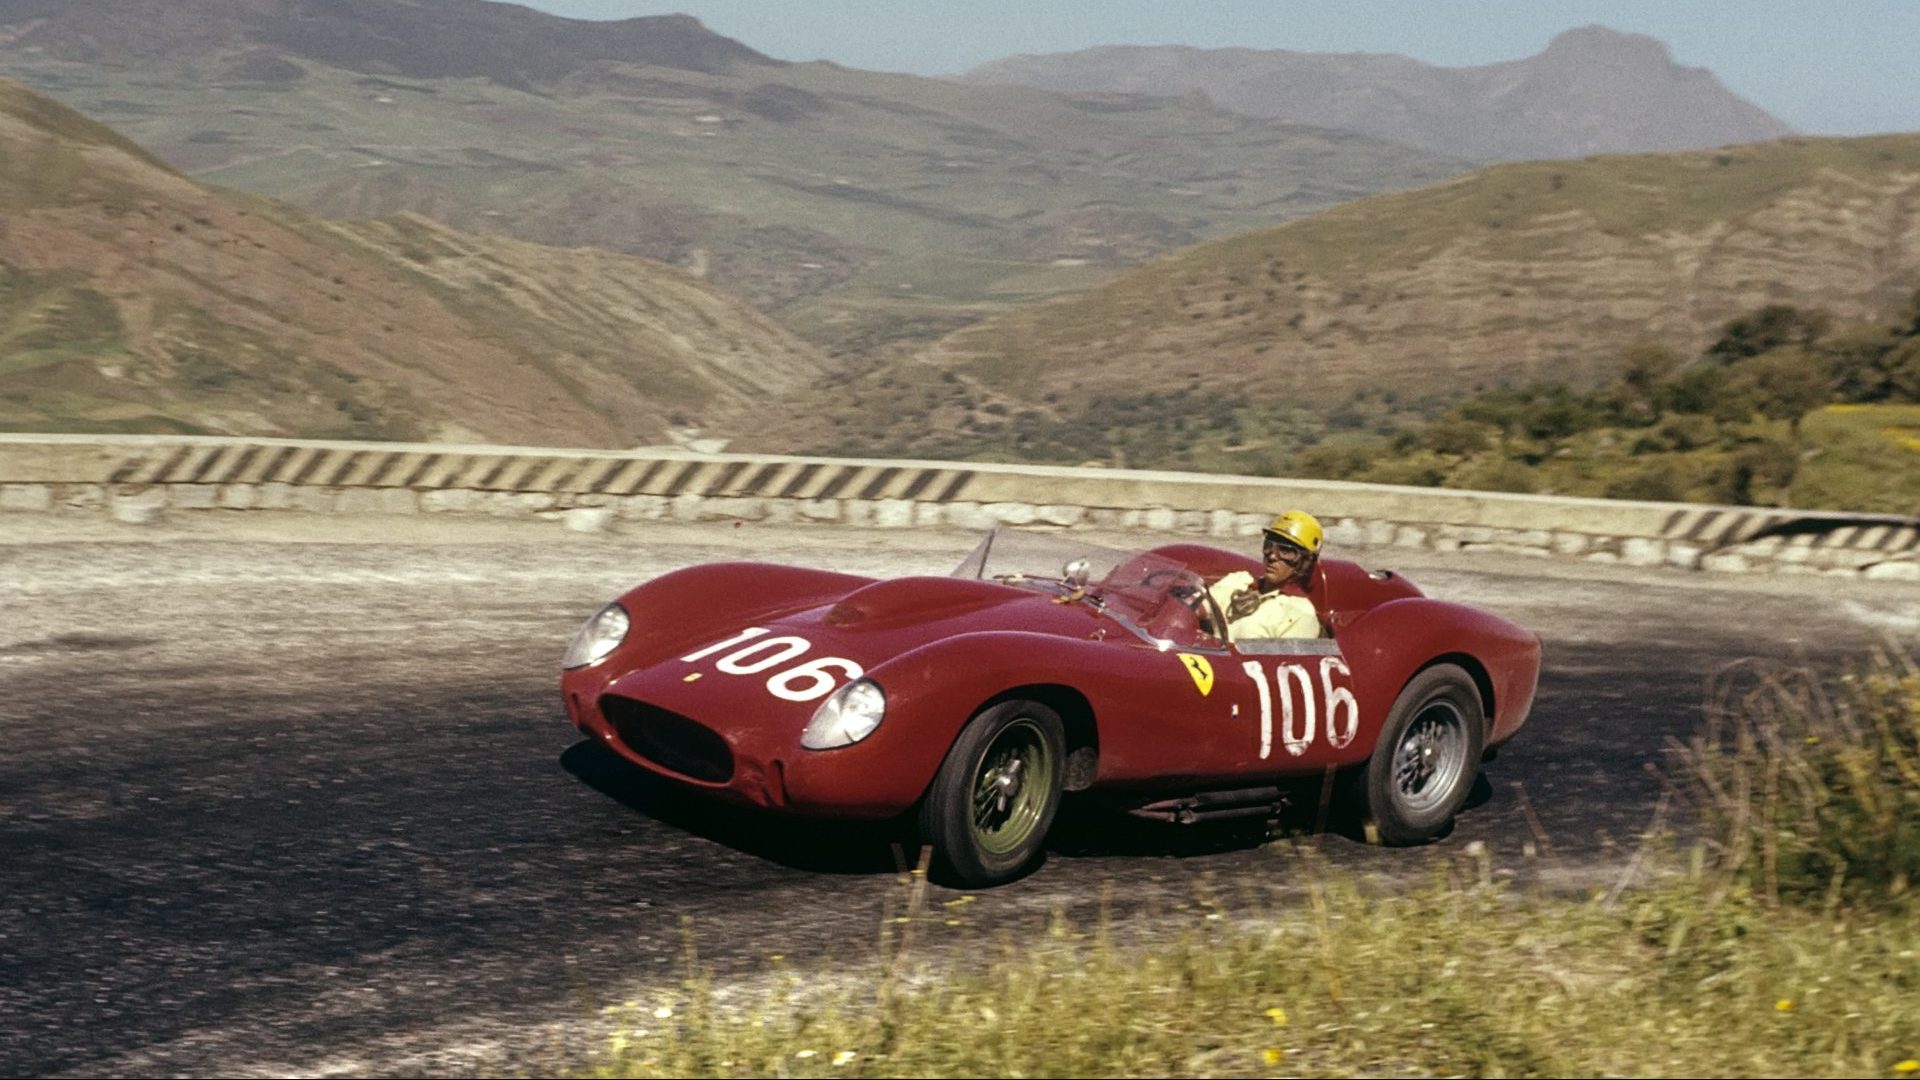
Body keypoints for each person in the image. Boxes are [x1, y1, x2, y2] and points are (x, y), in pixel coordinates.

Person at [1205, 510, 1324, 642]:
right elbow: (1194, 610)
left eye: (1286, 551)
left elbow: (1286, 662)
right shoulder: (1238, 580)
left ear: (1305, 562)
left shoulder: (1300, 613)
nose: (1272, 556)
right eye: (1269, 546)